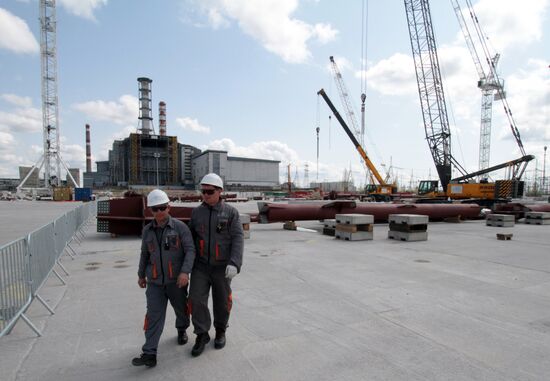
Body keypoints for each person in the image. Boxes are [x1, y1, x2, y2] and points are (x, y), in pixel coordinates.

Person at [132, 189, 196, 367]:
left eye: (162, 208)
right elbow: (144, 254)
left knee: (181, 310)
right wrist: (140, 275)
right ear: (150, 210)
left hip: (176, 281)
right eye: (155, 209)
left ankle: (181, 329)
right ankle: (149, 353)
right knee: (153, 316)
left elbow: (190, 250)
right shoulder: (147, 231)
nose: (159, 212)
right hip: (154, 282)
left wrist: (185, 272)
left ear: (169, 207)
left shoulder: (180, 227)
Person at [188, 173, 244, 357]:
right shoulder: (196, 213)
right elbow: (190, 241)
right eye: (203, 191)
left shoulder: (230, 213)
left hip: (222, 268)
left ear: (220, 191)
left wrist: (234, 263)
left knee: (222, 301)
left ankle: (220, 330)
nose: (205, 195)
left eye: (209, 192)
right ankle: (202, 334)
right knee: (196, 300)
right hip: (201, 266)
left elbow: (237, 238)